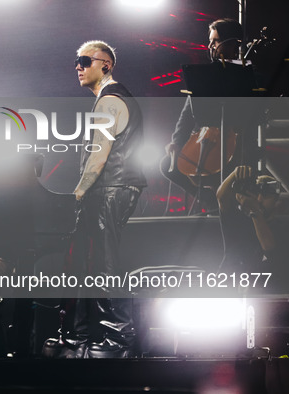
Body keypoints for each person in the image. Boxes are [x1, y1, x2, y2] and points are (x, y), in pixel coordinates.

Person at [43, 40, 146, 358]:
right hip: (113, 189)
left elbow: (99, 155)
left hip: (110, 188)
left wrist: (80, 190)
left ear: (106, 64)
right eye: (76, 60)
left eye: (85, 60)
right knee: (88, 262)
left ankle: (115, 338)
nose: (78, 65)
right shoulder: (110, 98)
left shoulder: (111, 100)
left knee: (102, 262)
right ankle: (85, 335)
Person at [159, 18, 254, 213]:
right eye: (210, 40)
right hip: (203, 137)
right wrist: (176, 142)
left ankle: (232, 206)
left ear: (231, 43)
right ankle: (210, 200)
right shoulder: (204, 75)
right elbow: (187, 114)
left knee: (237, 166)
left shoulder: (247, 73)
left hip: (236, 140)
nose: (210, 45)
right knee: (168, 165)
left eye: (215, 41)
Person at [216, 166, 288, 288]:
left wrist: (255, 211)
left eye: (266, 195)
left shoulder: (283, 228)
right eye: (257, 193)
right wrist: (235, 174)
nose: (259, 199)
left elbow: (270, 249)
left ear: (276, 200)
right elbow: (222, 198)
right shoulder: (238, 220)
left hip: (267, 288)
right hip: (229, 283)